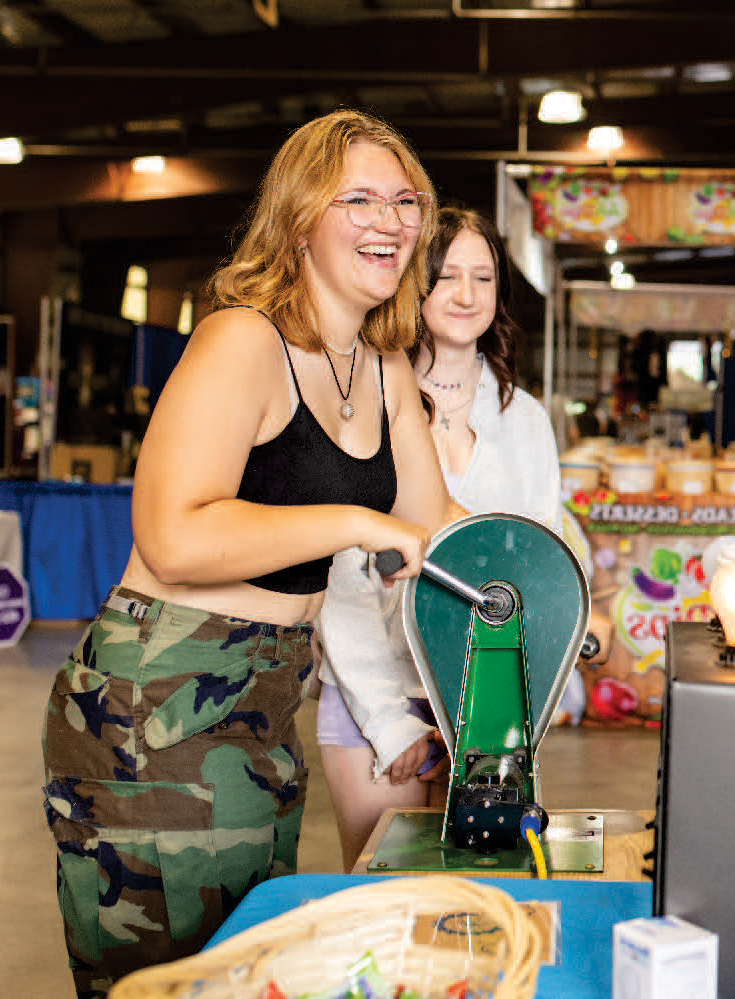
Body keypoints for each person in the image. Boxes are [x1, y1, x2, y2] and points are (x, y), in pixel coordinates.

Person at [39, 110, 447, 998]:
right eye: (361, 199)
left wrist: (554, 579)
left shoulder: (384, 367)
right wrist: (352, 521)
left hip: (268, 702)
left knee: (250, 972)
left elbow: (435, 525)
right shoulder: (243, 339)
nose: (390, 219)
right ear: (301, 217)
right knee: (170, 984)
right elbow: (175, 536)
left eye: (406, 201)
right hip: (153, 703)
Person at [314, 206, 610, 872]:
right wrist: (391, 724)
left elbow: (536, 568)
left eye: (483, 277)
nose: (466, 294)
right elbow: (342, 580)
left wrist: (537, 697)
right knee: (380, 897)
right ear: (413, 285)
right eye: (446, 276)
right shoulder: (364, 402)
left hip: (487, 701)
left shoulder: (525, 419)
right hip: (372, 698)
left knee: (482, 890)